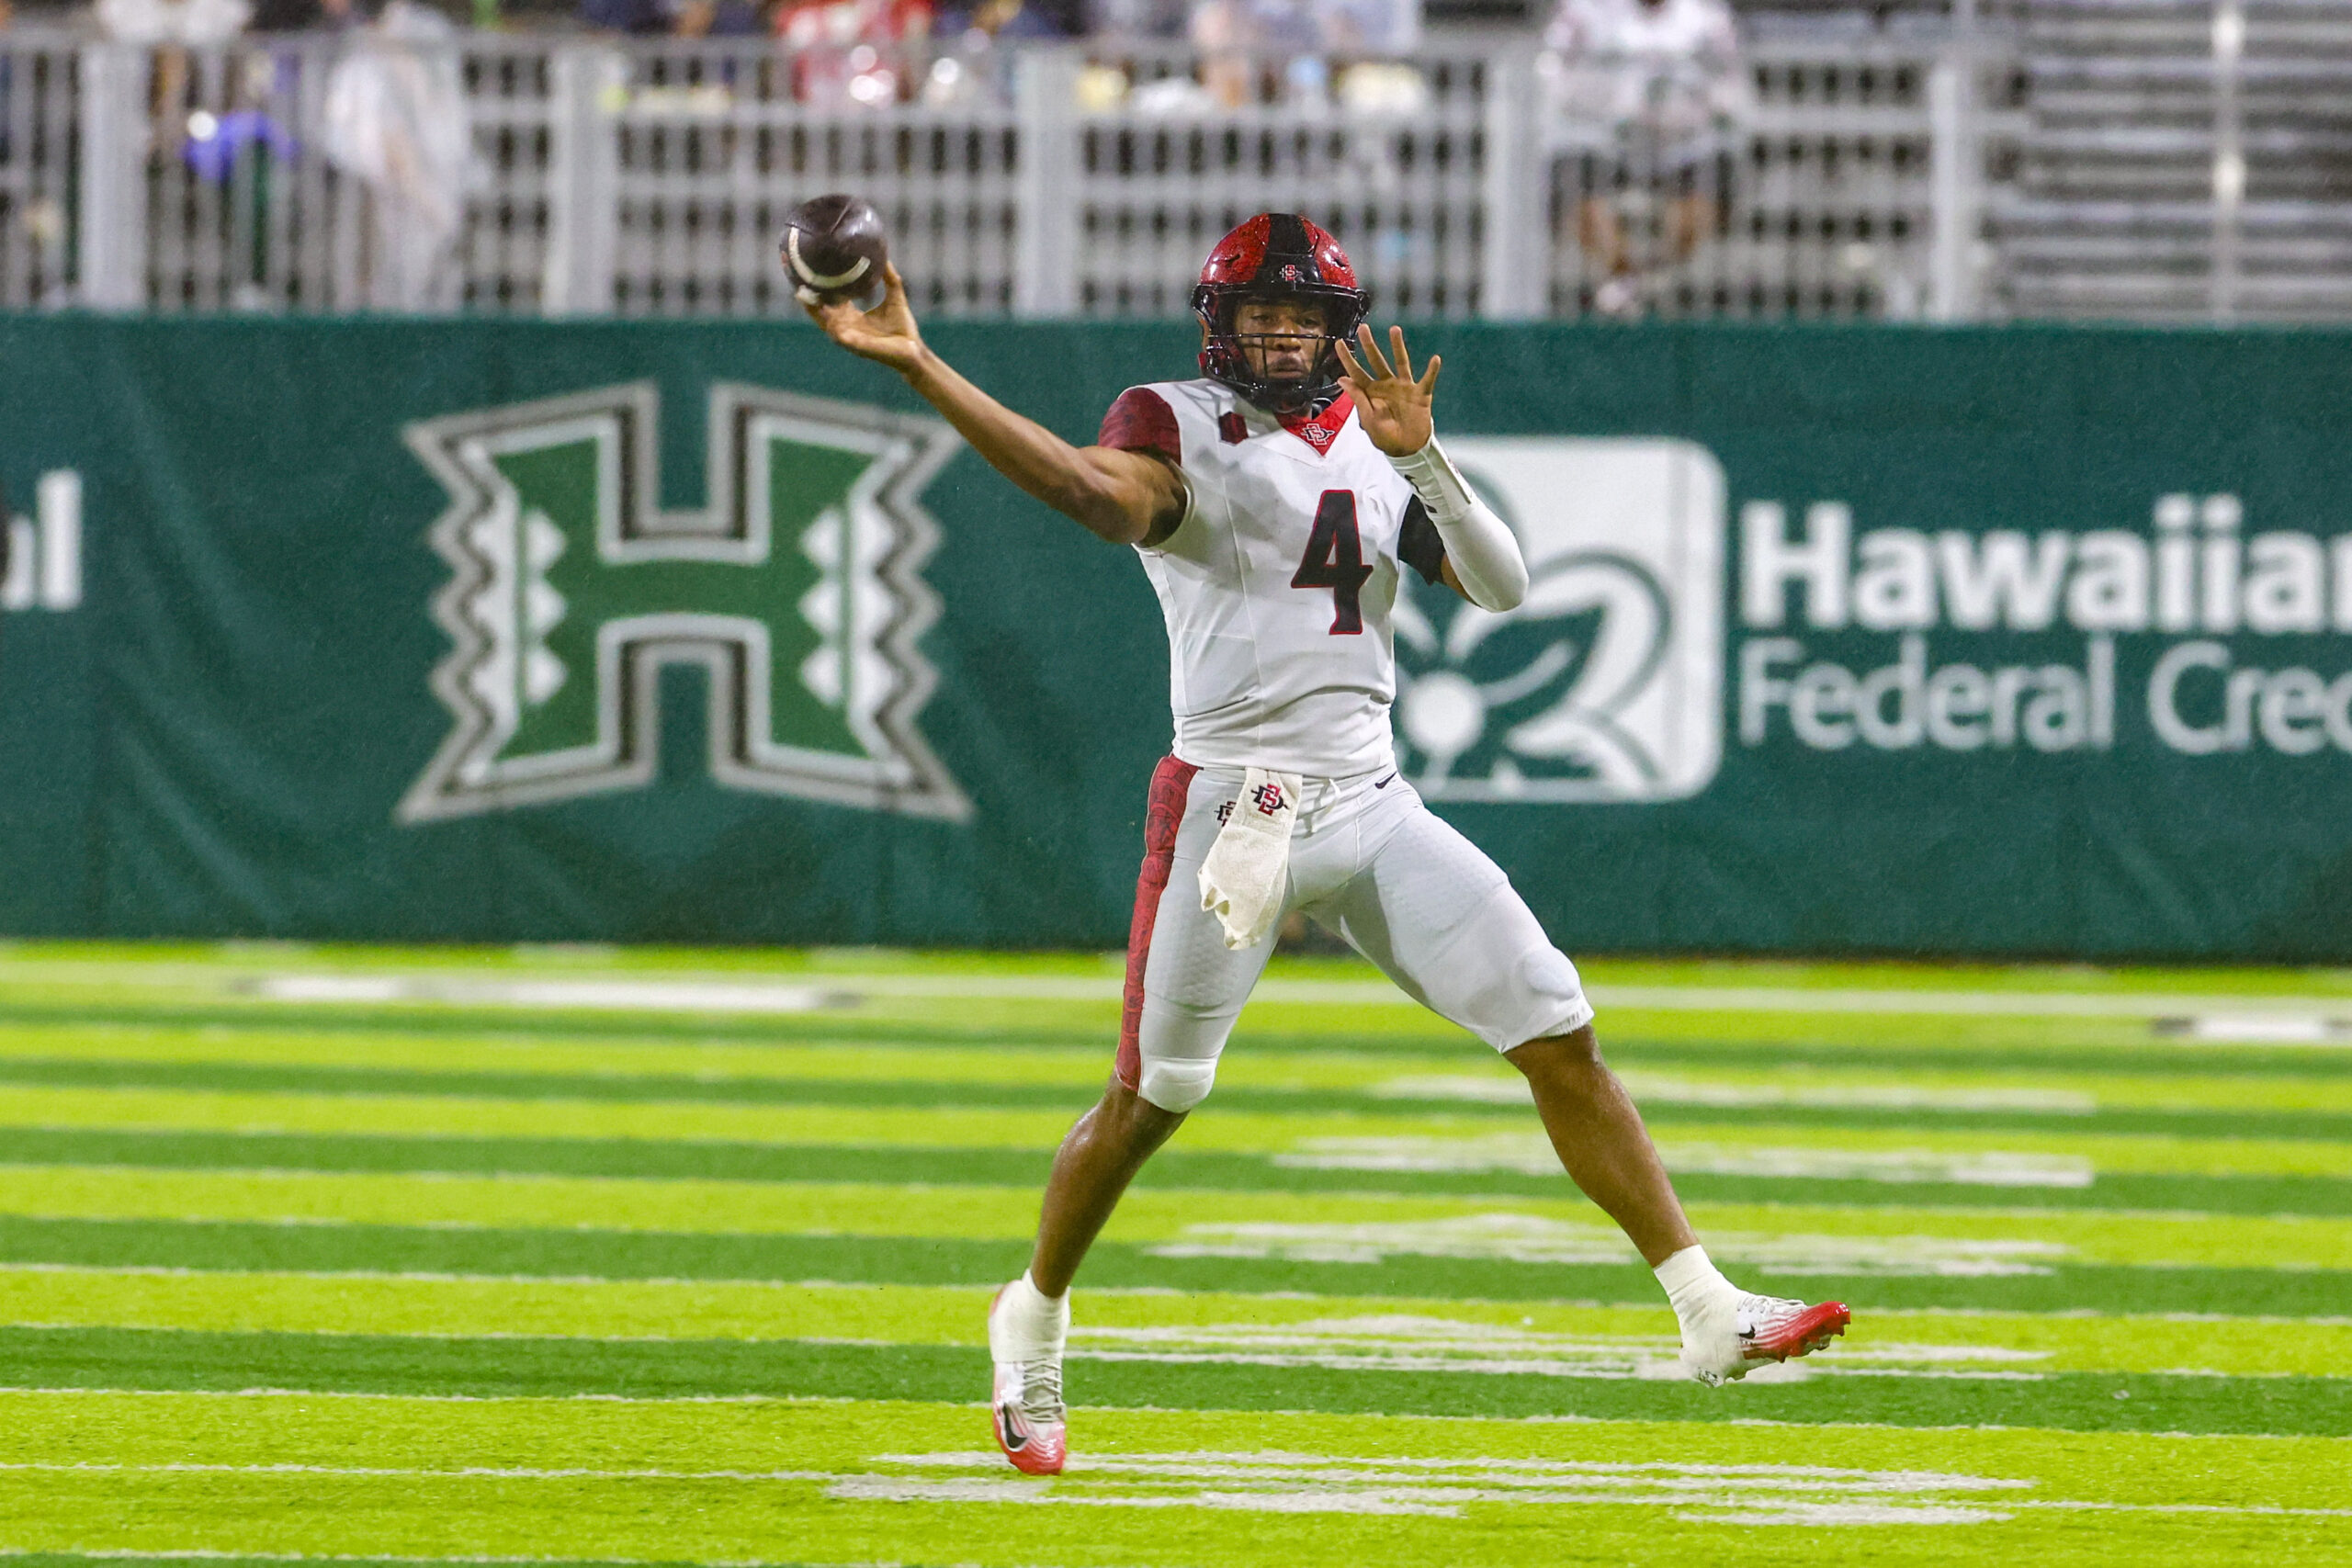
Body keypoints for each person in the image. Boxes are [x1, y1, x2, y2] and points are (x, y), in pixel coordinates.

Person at [804, 212, 1851, 1477]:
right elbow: (1092, 493)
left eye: (1304, 315)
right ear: (1219, 321)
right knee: (1156, 1097)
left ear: (1341, 327)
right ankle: (1030, 1313)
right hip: (1231, 811)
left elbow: (1505, 585)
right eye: (1261, 314)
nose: (1283, 333)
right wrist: (923, 365)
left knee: (1556, 1025)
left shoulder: (1369, 430)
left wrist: (1431, 462)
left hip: (1371, 798)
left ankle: (1704, 1307)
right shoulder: (1170, 417)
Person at [1539, 0, 1748, 317]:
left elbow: (1732, 85)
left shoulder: (1707, 16)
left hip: (1684, 142)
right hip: (1602, 136)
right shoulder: (1584, 11)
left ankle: (1653, 278)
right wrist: (1610, 102)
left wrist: (1692, 110)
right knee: (1571, 175)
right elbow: (1553, 77)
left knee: (1715, 172)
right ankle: (1624, 273)